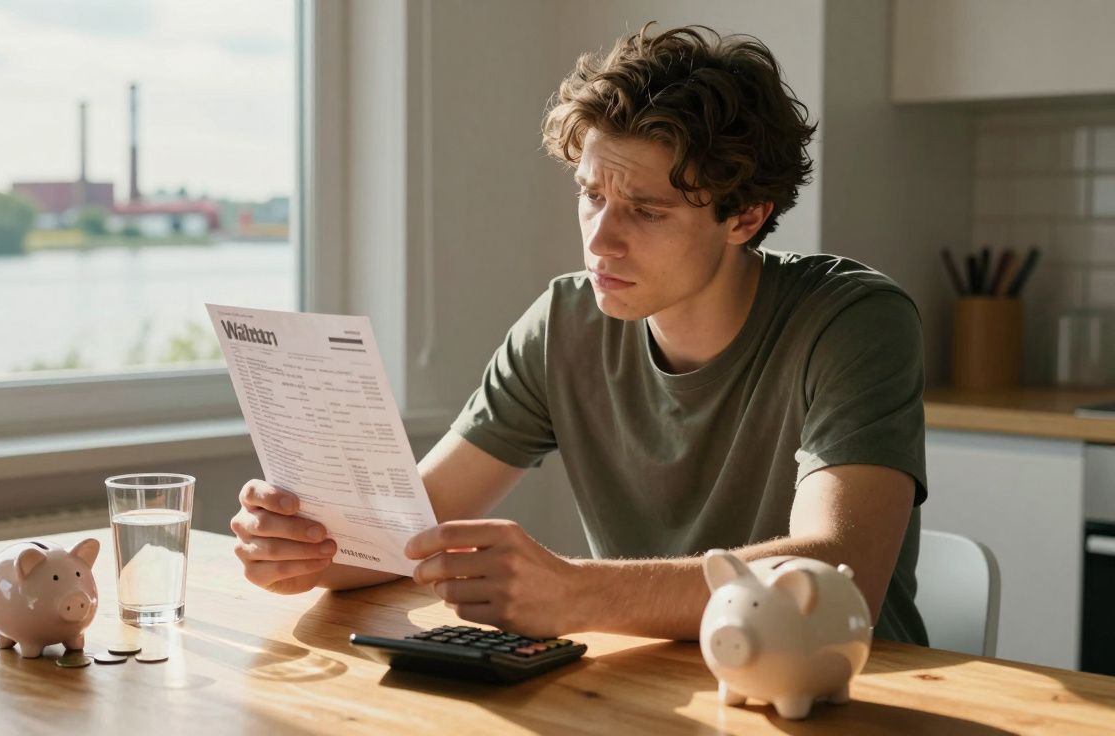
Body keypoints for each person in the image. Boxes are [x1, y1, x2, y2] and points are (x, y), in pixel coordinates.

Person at [230, 23, 928, 645]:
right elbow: (408, 533)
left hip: (845, 695)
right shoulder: (566, 323)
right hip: (647, 695)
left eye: (647, 210)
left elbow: (839, 575)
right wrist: (308, 554)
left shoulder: (852, 321)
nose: (602, 240)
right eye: (592, 196)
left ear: (745, 216)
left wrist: (575, 592)